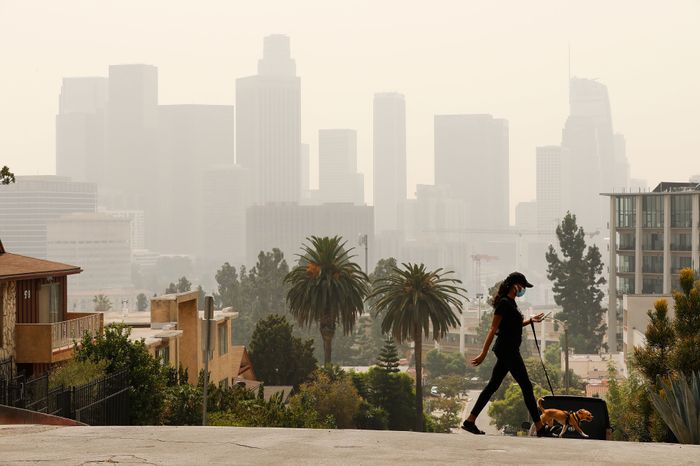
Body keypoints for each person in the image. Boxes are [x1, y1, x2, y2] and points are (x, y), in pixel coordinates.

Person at [461, 271, 553, 437]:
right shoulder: (504, 303)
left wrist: (531, 320)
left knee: (492, 386)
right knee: (526, 386)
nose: (523, 290)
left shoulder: (511, 303)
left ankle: (470, 421)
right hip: (507, 350)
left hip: (509, 350)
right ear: (514, 286)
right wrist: (483, 353)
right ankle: (540, 428)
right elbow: (493, 328)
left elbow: (513, 326)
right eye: (523, 286)